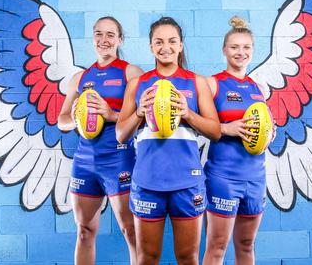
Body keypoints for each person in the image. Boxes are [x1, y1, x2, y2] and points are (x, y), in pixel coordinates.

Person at [116, 17, 221, 265]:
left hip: (187, 182)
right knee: (147, 258)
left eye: (172, 41)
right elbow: (121, 134)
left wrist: (187, 113)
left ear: (181, 45)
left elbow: (215, 131)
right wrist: (140, 113)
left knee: (187, 258)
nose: (166, 47)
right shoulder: (137, 84)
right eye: (159, 42)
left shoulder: (197, 82)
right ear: (151, 46)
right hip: (147, 180)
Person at [58, 16, 143, 265]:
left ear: (120, 39)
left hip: (119, 159)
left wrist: (110, 114)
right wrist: (78, 117)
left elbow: (145, 116)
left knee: (131, 231)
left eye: (110, 35)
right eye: (99, 34)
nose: (104, 40)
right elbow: (62, 120)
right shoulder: (80, 78)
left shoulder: (131, 72)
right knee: (84, 231)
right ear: (93, 37)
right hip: (85, 160)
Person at [202, 16, 269, 265]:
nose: (240, 53)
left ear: (252, 51)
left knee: (246, 245)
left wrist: (269, 134)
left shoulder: (258, 88)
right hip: (223, 177)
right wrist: (226, 128)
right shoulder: (212, 84)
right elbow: (195, 125)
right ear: (224, 50)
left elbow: (266, 125)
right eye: (234, 47)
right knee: (217, 247)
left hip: (255, 176)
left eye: (246, 47)